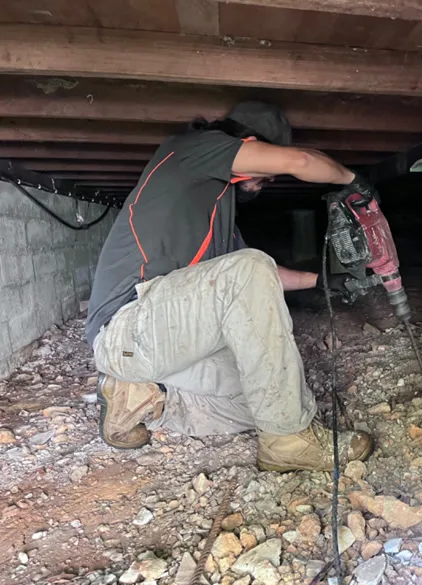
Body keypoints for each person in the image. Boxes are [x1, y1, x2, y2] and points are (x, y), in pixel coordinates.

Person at [85, 101, 376, 472]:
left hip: (162, 346)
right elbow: (300, 162)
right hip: (125, 331)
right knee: (249, 271)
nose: (267, 182)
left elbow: (259, 277)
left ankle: (147, 397)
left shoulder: (220, 217)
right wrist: (353, 181)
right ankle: (286, 442)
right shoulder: (188, 150)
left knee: (271, 392)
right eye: (267, 170)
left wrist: (323, 281)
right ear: (251, 144)